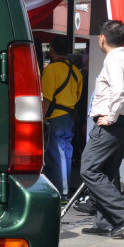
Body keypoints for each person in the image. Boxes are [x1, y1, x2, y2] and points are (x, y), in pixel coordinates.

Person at [80, 20, 124, 237]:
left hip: (111, 123)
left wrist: (112, 115)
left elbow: (118, 91)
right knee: (107, 173)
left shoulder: (114, 61)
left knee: (88, 168)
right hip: (123, 122)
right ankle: (105, 223)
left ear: (102, 38)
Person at [41, 35, 83, 201]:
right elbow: (78, 96)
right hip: (70, 117)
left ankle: (61, 192)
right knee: (66, 152)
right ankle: (64, 191)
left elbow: (46, 99)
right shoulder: (76, 71)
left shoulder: (51, 70)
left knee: (56, 154)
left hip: (55, 116)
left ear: (52, 50)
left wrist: (40, 119)